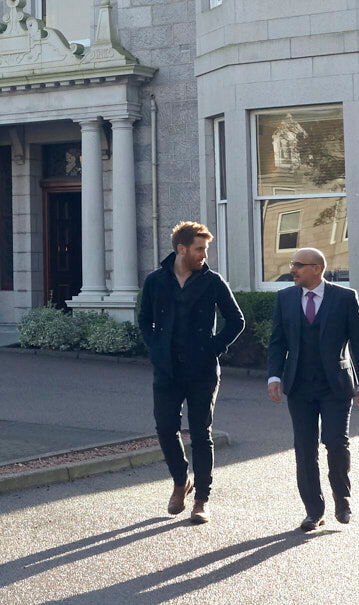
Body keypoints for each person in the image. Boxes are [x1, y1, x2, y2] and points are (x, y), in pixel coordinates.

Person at [138, 220, 246, 525]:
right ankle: (179, 481)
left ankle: (202, 500)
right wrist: (156, 348)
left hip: (202, 371)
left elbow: (236, 320)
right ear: (181, 249)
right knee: (164, 428)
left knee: (201, 434)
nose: (204, 255)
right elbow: (144, 320)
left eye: (206, 249)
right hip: (167, 370)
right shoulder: (156, 281)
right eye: (199, 249)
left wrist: (213, 347)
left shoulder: (213, 282)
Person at [265, 246, 359, 531]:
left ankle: (343, 499)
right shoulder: (285, 298)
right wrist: (274, 377)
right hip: (299, 386)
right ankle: (314, 510)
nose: (293, 270)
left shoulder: (344, 298)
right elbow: (277, 342)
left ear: (317, 269)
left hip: (335, 386)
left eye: (298, 265)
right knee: (304, 448)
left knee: (336, 443)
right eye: (292, 264)